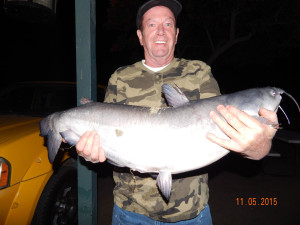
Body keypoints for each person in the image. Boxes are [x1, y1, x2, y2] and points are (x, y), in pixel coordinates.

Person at [75, 0, 278, 224]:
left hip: (191, 214)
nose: (161, 30)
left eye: (168, 24)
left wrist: (259, 146)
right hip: (130, 211)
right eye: (151, 25)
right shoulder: (120, 77)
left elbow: (227, 128)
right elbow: (104, 138)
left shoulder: (199, 72)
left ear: (177, 33)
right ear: (141, 36)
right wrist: (91, 151)